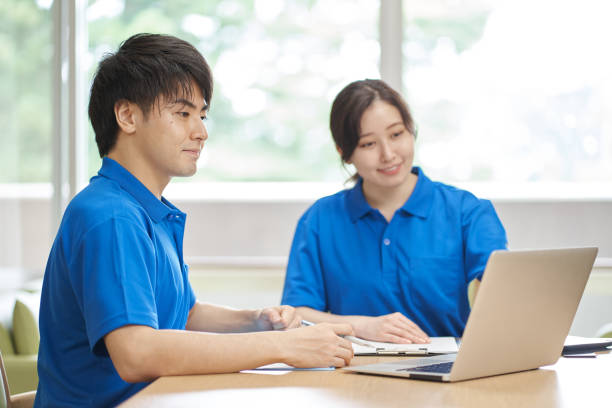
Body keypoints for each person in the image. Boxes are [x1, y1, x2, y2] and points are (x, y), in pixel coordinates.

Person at [35, 33, 353, 407]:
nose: (201, 132)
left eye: (201, 115)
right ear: (127, 115)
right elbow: (137, 351)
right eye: (182, 113)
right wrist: (282, 346)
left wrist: (255, 320)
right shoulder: (110, 216)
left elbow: (182, 314)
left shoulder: (147, 210)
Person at [281, 79, 507, 344]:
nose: (388, 154)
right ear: (345, 152)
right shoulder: (318, 221)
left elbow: (504, 294)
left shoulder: (467, 212)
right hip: (353, 375)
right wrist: (361, 326)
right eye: (368, 144)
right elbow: (297, 315)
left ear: (412, 132)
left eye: (396, 134)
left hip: (450, 373)